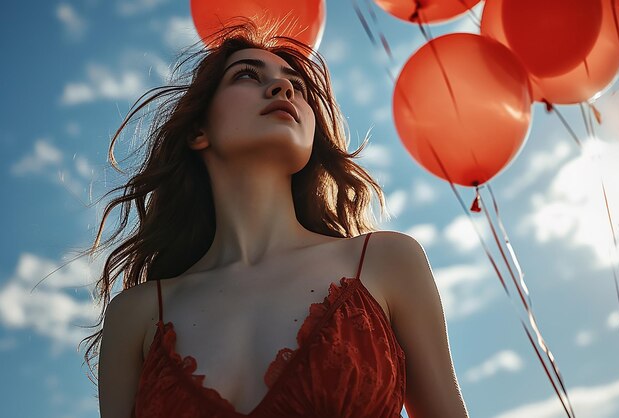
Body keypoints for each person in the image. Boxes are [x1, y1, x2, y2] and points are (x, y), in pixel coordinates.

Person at [85, 16, 468, 418]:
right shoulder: (136, 314)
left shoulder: (386, 261)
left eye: (297, 86)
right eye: (246, 76)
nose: (283, 87)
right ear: (199, 130)